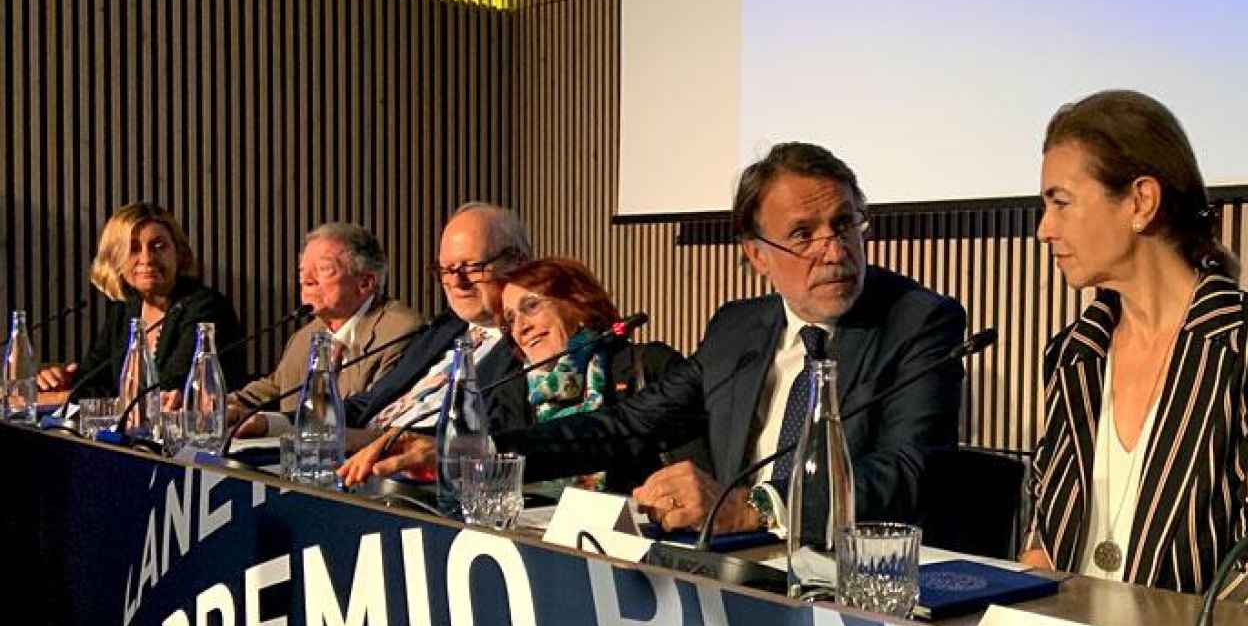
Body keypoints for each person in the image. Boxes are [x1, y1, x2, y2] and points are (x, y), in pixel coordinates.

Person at [342, 143, 967, 534]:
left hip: (842, 582)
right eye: (803, 234)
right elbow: (621, 426)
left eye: (846, 223)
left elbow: (908, 473)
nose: (834, 250)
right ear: (755, 255)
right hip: (728, 575)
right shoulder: (738, 329)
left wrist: (758, 506)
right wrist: (472, 453)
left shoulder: (917, 321)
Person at [1019, 90, 1248, 606]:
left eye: (1060, 203)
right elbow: (1046, 520)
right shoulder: (1073, 353)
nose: (1044, 229)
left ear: (1141, 201)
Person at [495, 257, 701, 494]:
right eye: (510, 320)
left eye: (531, 306)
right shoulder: (512, 394)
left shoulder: (648, 365)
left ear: (577, 303)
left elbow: (696, 476)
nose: (520, 328)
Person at [339, 202, 534, 438]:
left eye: (472, 267)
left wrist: (376, 443)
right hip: (352, 456)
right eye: (446, 269)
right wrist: (288, 422)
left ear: (518, 263)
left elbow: (492, 436)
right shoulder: (444, 327)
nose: (457, 282)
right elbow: (370, 403)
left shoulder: (533, 339)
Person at [228, 223, 423, 435]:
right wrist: (218, 405)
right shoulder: (304, 337)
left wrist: (269, 423)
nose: (306, 280)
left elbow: (372, 415)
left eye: (323, 269)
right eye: (302, 271)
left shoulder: (400, 331)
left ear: (365, 283)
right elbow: (273, 389)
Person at [36, 202, 246, 396]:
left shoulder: (206, 308)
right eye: (134, 248)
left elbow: (169, 388)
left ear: (178, 252)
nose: (147, 259)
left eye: (158, 246)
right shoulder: (126, 308)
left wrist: (71, 397)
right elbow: (93, 379)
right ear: (115, 258)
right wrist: (63, 381)